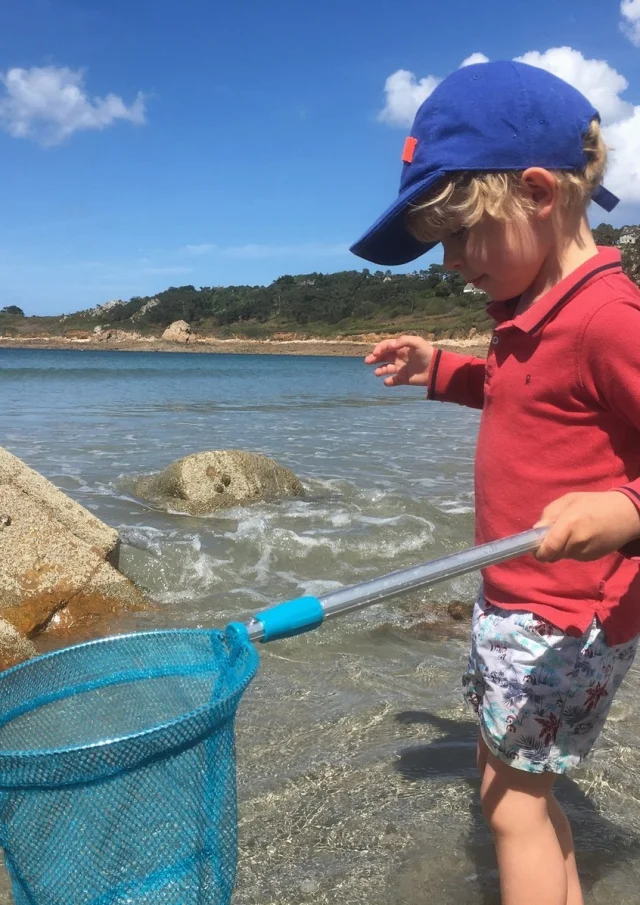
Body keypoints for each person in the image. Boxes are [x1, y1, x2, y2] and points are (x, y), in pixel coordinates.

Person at [350, 61, 640, 905]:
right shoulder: (530, 312)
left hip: (566, 616)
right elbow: (528, 393)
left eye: (458, 233)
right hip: (517, 599)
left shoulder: (608, 318)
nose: (447, 261)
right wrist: (441, 368)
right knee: (514, 788)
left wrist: (623, 510)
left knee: (511, 807)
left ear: (540, 194)